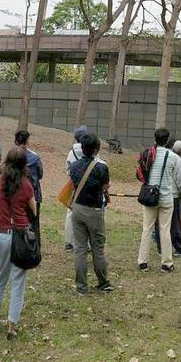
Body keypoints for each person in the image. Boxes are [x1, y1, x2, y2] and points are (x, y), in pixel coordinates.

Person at [0, 147, 37, 340]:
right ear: (24, 165)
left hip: (3, 234)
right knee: (18, 281)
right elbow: (34, 210)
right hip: (20, 235)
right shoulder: (26, 185)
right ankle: (11, 325)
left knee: (1, 275)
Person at [68, 131, 114, 294]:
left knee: (80, 249)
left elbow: (73, 184)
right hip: (94, 210)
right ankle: (103, 283)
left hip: (78, 209)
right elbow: (105, 188)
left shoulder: (74, 166)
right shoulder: (101, 167)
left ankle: (81, 286)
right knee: (98, 248)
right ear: (96, 149)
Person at [137, 128, 181, 273]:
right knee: (164, 230)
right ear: (168, 140)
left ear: (155, 138)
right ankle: (166, 263)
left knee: (147, 228)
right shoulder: (174, 158)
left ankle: (142, 261)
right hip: (166, 197)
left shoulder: (148, 154)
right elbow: (180, 179)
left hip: (149, 196)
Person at [154, 140, 181, 257]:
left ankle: (161, 248)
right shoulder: (176, 159)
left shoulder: (157, 156)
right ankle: (178, 248)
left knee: (159, 223)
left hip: (157, 193)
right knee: (175, 223)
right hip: (173, 195)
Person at [64, 125, 91, 252]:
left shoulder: (71, 152)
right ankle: (87, 243)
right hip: (89, 186)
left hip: (74, 185)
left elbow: (68, 169)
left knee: (70, 212)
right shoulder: (92, 150)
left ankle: (68, 242)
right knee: (89, 213)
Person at [15, 130, 44, 234]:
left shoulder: (12, 156)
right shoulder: (35, 157)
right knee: (34, 223)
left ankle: (19, 246)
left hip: (16, 195)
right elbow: (40, 174)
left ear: (16, 141)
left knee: (17, 223)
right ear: (27, 141)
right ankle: (35, 247)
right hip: (34, 194)